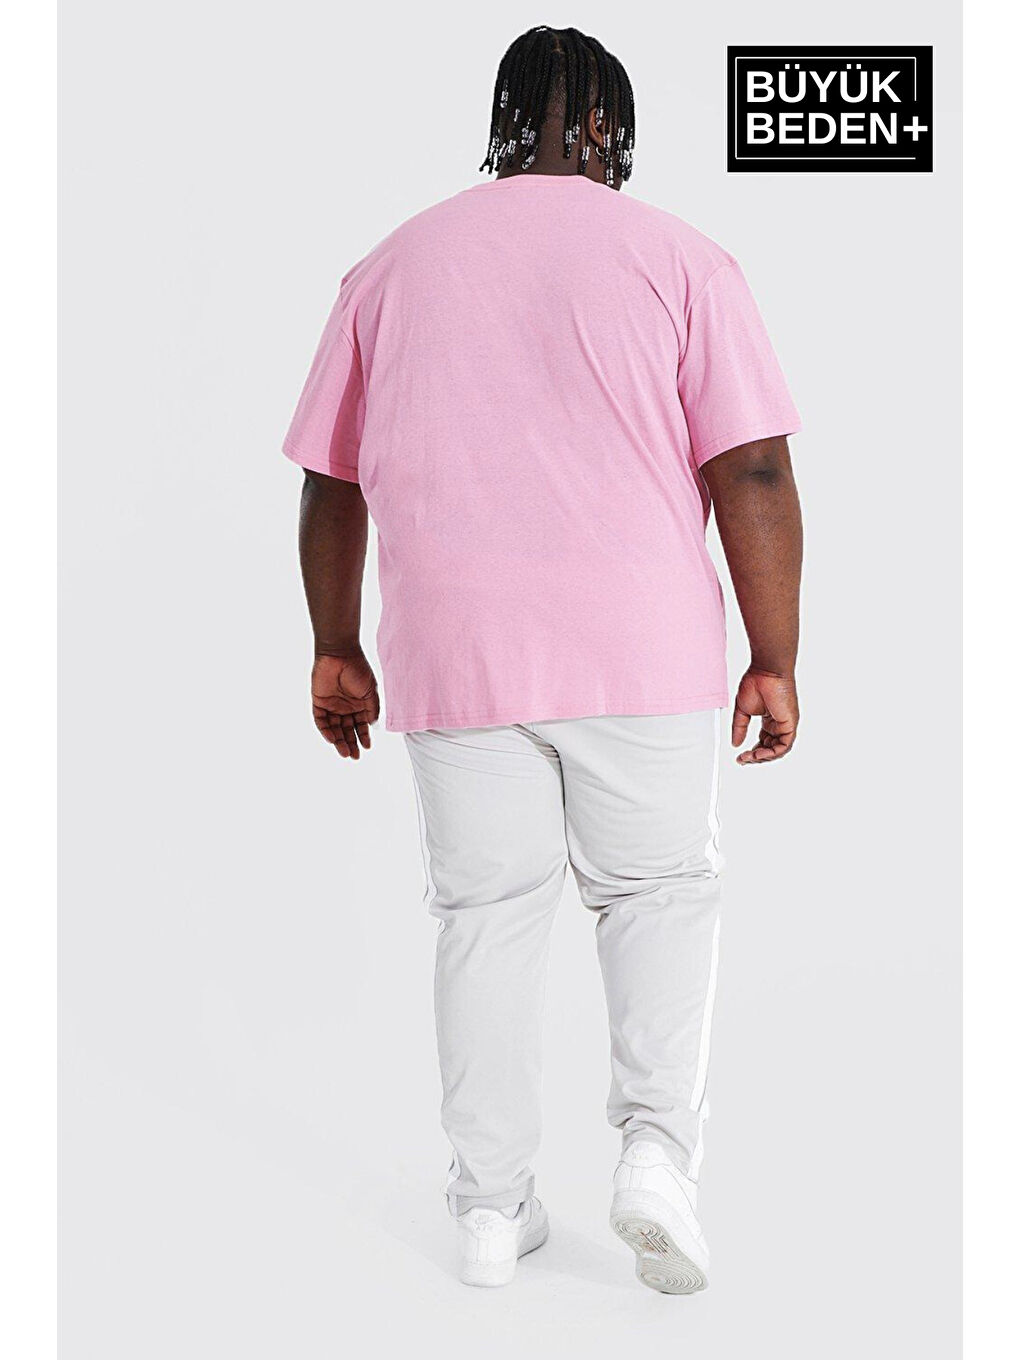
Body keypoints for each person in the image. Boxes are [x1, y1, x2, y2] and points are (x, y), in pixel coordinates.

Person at [284, 25, 803, 1295]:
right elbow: (751, 468)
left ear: (504, 124)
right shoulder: (683, 261)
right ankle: (656, 1160)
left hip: (458, 661)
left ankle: (489, 1208)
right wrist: (775, 653)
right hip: (644, 657)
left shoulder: (389, 268)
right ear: (609, 130)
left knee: (485, 923)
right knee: (660, 897)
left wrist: (336, 643)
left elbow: (331, 484)